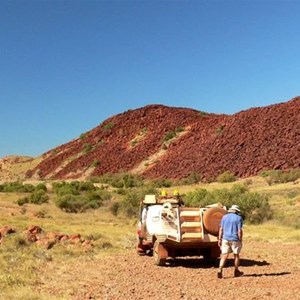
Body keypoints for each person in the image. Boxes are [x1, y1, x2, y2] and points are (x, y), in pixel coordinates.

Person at [217, 204, 243, 279]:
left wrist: (219, 239)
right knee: (236, 255)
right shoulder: (239, 218)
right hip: (235, 239)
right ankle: (236, 271)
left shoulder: (224, 217)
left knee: (224, 255)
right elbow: (239, 231)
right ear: (236, 211)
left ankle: (220, 269)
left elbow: (221, 229)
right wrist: (240, 240)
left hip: (225, 238)